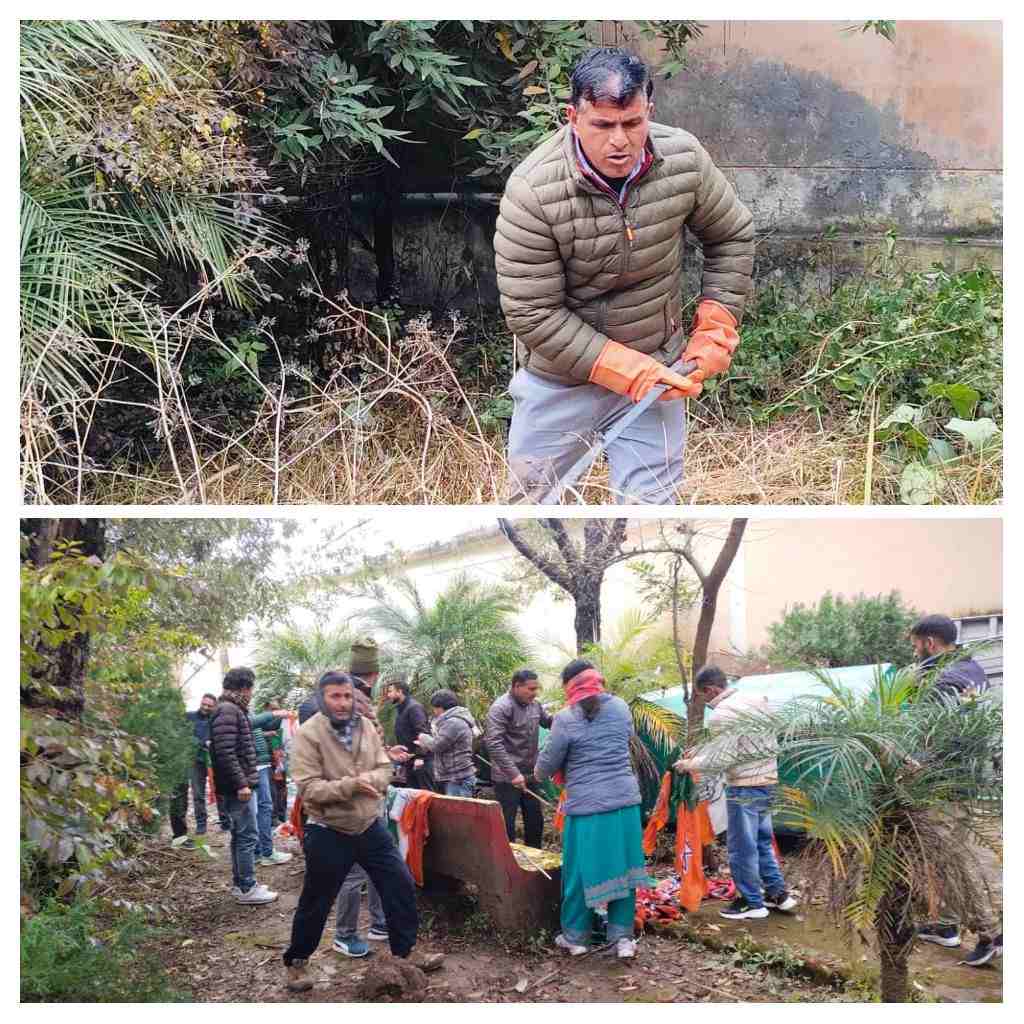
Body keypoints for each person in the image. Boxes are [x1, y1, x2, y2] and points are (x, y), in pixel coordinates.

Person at [495, 46, 754, 504]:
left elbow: (731, 235)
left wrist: (716, 325)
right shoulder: (532, 190)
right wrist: (625, 370)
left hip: (657, 370)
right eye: (603, 125)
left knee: (651, 514)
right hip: (561, 382)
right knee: (534, 512)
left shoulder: (684, 160)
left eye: (632, 124)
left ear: (648, 112)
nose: (620, 141)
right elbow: (532, 312)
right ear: (573, 116)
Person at [282, 670, 443, 992]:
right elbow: (309, 788)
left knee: (399, 882)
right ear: (322, 699)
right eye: (335, 697)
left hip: (368, 825)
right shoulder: (308, 735)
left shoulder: (366, 726)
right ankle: (297, 962)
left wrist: (375, 780)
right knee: (317, 898)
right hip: (328, 829)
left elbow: (384, 765)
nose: (343, 703)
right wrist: (353, 785)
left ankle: (406, 951)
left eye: (347, 696)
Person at [534, 659, 650, 959]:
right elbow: (622, 740)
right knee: (624, 872)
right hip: (625, 805)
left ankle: (576, 937)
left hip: (586, 809)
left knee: (579, 873)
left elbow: (544, 767)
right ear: (598, 681)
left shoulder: (564, 718)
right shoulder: (622, 707)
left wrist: (540, 769)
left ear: (569, 687)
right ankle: (622, 938)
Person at [908, 614, 1000, 964]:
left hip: (944, 786)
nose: (916, 651)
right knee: (950, 856)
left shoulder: (940, 679)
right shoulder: (974, 670)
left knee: (951, 860)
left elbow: (934, 737)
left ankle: (990, 933)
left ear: (929, 643)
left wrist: (914, 767)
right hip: (968, 780)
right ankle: (945, 926)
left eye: (916, 644)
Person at [673, 665, 796, 921]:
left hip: (743, 786)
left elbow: (725, 757)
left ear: (711, 690)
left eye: (704, 696)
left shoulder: (723, 713)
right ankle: (778, 895)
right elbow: (743, 744)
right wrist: (700, 753)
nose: (706, 702)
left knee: (741, 846)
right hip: (768, 780)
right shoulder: (757, 700)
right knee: (762, 841)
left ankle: (751, 901)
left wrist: (689, 765)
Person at [209, 667, 278, 906]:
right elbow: (226, 752)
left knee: (241, 836)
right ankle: (247, 887)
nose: (252, 693)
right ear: (244, 687)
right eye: (251, 688)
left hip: (237, 785)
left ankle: (242, 884)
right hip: (237, 787)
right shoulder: (228, 710)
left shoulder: (230, 708)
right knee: (247, 836)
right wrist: (242, 783)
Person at [485, 669, 553, 849]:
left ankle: (536, 858)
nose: (535, 693)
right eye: (530, 689)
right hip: (507, 778)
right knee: (506, 823)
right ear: (516, 686)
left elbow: (549, 722)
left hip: (530, 774)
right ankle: (510, 864)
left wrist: (568, 716)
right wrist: (513, 774)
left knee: (535, 820)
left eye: (536, 689)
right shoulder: (501, 707)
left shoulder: (535, 705)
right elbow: (493, 743)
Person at [250, 702, 294, 867]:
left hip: (259, 763)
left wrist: (265, 734)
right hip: (255, 765)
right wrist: (275, 714)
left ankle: (260, 851)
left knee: (261, 807)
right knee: (261, 808)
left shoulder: (241, 709)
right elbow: (250, 723)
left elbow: (252, 730)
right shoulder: (234, 710)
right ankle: (264, 852)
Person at [415, 690, 479, 797]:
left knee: (457, 812)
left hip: (458, 778)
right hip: (455, 777)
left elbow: (437, 745)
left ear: (440, 707)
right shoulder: (453, 720)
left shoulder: (453, 722)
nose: (434, 712)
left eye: (434, 708)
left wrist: (423, 737)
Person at [910, 614, 990, 698]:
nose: (914, 653)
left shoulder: (941, 684)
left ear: (929, 643)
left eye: (915, 646)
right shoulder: (975, 668)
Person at [385, 678, 435, 791]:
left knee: (425, 796)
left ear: (400, 691)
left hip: (421, 763)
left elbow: (423, 733)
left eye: (390, 691)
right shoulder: (401, 709)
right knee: (412, 797)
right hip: (409, 761)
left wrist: (420, 757)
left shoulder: (414, 708)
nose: (388, 695)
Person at [262, 700, 290, 825]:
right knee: (272, 789)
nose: (275, 711)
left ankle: (282, 815)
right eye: (272, 709)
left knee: (282, 788)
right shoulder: (261, 721)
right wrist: (267, 734)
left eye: (277, 708)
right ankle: (273, 817)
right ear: (266, 709)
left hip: (280, 758)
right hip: (268, 759)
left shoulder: (282, 720)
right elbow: (253, 733)